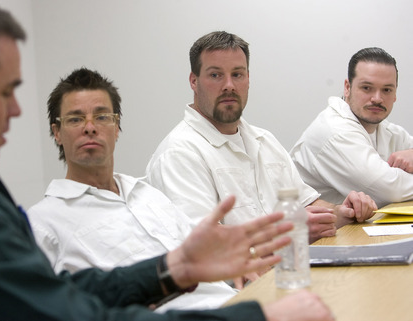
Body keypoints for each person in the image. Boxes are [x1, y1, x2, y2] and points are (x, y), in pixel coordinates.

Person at [0, 0, 335, 321]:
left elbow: (64, 292)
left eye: (102, 117)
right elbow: (68, 314)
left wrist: (175, 266)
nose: (15, 111)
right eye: (6, 92)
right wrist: (256, 317)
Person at [28, 68, 243, 311]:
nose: (90, 127)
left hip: (232, 303)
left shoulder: (148, 194)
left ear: (116, 127)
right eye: (75, 119)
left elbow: (199, 261)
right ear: (57, 132)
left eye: (102, 117)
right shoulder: (43, 223)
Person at [145, 31, 377, 246]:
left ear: (248, 78)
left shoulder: (265, 141)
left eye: (237, 74)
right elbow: (203, 246)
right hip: (237, 289)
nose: (229, 86)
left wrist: (344, 211)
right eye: (215, 75)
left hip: (287, 273)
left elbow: (308, 207)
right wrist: (289, 231)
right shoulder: (179, 153)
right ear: (193, 81)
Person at [290, 47, 413, 208]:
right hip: (318, 232)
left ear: (395, 94)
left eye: (386, 90)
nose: (377, 98)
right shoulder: (335, 131)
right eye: (367, 88)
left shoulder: (385, 129)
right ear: (347, 87)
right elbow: (390, 190)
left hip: (352, 230)